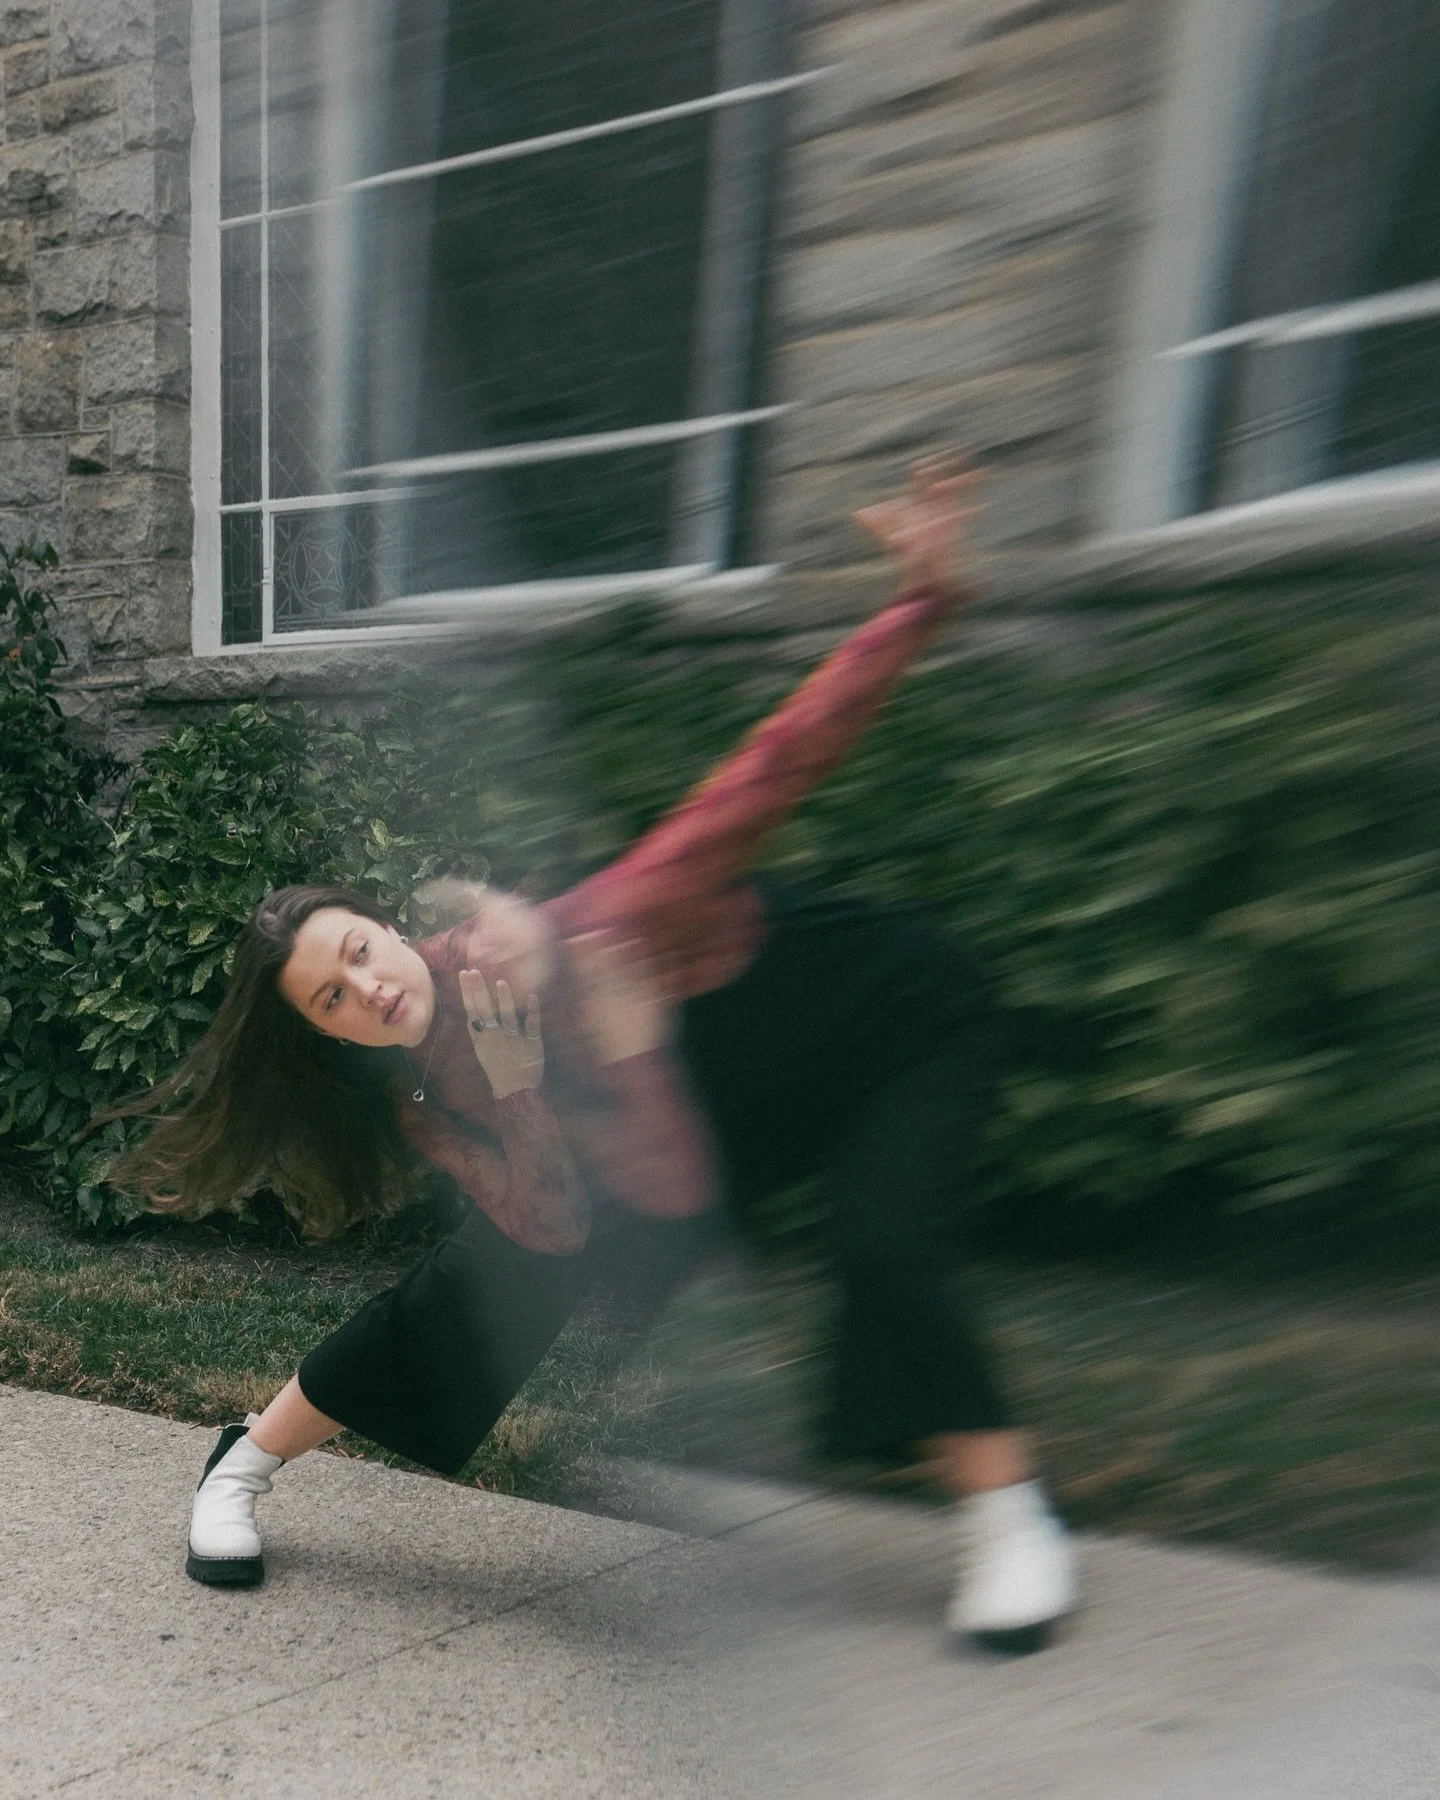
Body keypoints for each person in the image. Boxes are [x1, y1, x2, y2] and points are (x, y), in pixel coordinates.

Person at [111, 460, 1076, 1655]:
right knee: (471, 1287)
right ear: (325, 1031)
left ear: (390, 928)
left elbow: (768, 773)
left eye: (360, 951)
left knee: (886, 1238)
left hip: (881, 1027)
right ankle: (241, 1465)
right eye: (331, 998)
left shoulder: (579, 933)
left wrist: (918, 603)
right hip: (701, 1123)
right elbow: (588, 1220)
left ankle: (1010, 1515)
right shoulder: (433, 1093)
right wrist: (527, 1095)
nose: (366, 988)